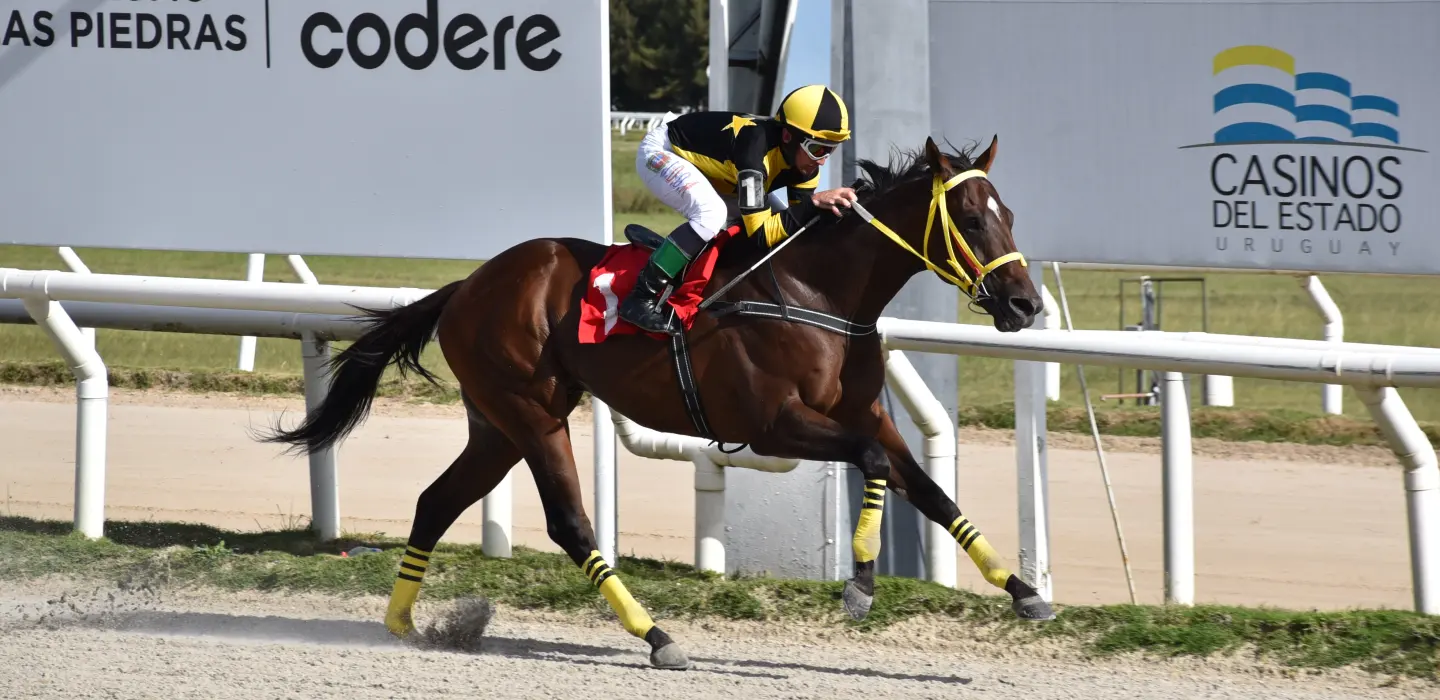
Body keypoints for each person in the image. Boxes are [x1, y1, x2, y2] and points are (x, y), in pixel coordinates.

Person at [618, 84, 859, 334]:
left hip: (721, 174)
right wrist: (813, 203)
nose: (822, 160)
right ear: (788, 136)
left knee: (781, 225)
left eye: (830, 150)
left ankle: (686, 256)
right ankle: (640, 297)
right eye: (817, 148)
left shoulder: (807, 167)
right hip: (663, 151)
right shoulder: (754, 151)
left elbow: (798, 227)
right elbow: (761, 234)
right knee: (711, 215)